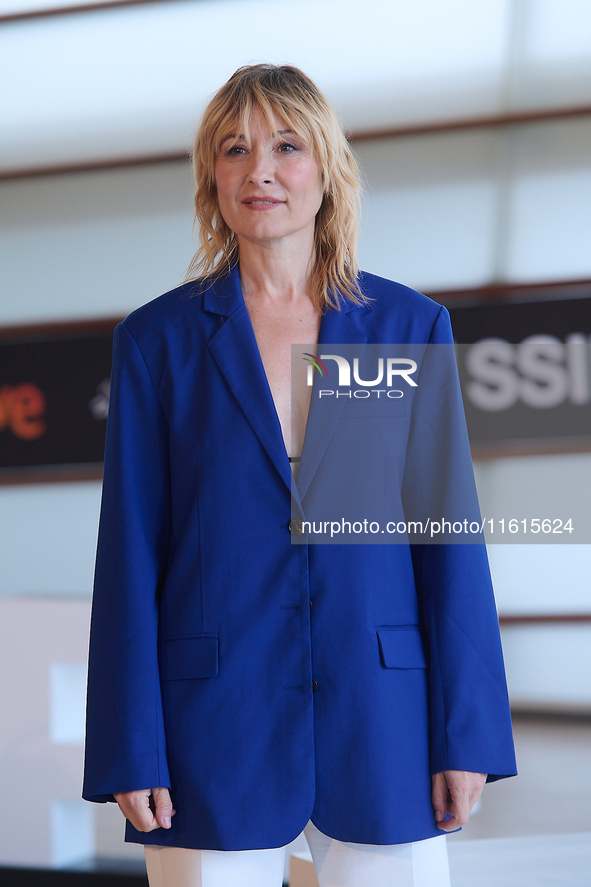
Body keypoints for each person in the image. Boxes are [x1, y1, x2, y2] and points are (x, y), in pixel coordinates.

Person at [83, 64, 517, 887]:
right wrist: (127, 742)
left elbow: (446, 543)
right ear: (212, 177)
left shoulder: (403, 326)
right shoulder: (158, 343)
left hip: (385, 725)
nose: (261, 171)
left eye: (286, 145)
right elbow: (130, 556)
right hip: (211, 729)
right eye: (234, 149)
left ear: (326, 165)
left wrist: (468, 734)